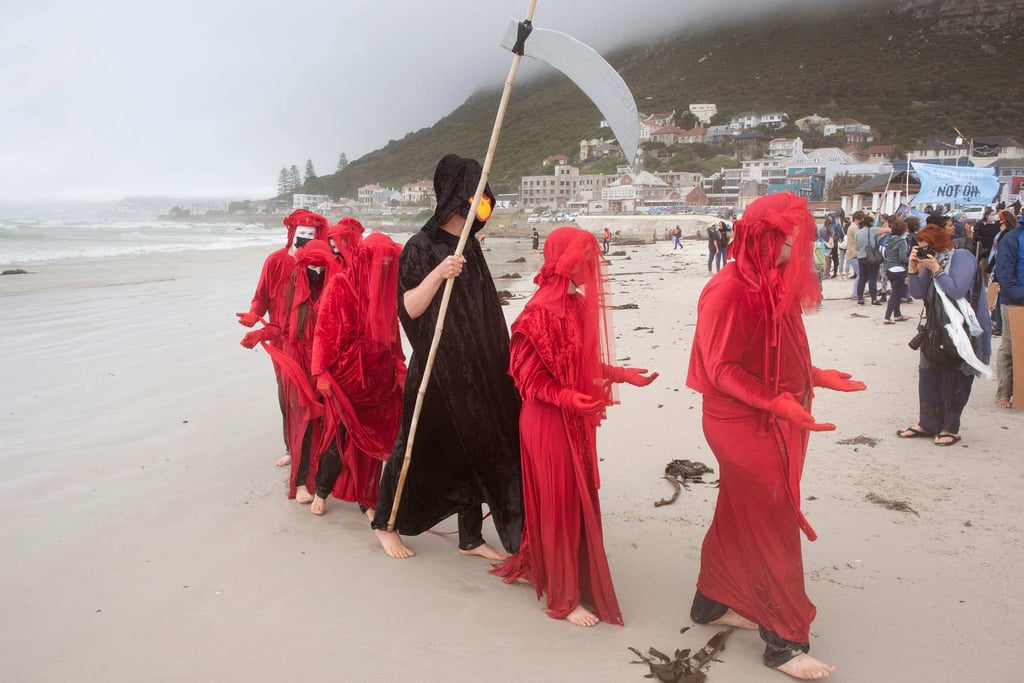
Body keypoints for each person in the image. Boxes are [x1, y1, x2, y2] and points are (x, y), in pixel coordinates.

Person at [686, 192, 866, 681]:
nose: (798, 250)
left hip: (778, 412)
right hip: (739, 422)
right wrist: (777, 401)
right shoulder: (727, 290)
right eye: (791, 240)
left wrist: (816, 376)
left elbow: (773, 355)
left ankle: (710, 603)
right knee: (774, 518)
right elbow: (721, 369)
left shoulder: (769, 283)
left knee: (738, 509)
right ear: (765, 238)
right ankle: (785, 642)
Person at [492, 227, 657, 628]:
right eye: (583, 257)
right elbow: (526, 379)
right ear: (562, 259)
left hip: (573, 416)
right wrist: (565, 398)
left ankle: (565, 575)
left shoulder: (578, 306)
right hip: (546, 421)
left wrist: (617, 373)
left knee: (574, 498)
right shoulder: (534, 315)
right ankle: (563, 597)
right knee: (560, 502)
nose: (591, 265)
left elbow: (580, 364)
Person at [371, 154, 523, 560]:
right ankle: (384, 524)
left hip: (475, 372)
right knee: (412, 444)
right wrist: (439, 274)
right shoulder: (419, 248)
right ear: (456, 197)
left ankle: (470, 538)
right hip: (436, 371)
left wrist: (499, 362)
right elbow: (409, 307)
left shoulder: (469, 245)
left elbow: (485, 311)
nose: (483, 205)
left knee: (471, 445)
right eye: (476, 196)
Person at [310, 232, 407, 517]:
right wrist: (321, 373)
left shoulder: (387, 289)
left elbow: (392, 334)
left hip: (379, 377)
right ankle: (322, 489)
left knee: (376, 439)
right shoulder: (340, 284)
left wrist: (399, 366)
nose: (384, 267)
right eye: (380, 261)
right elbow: (324, 332)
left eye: (388, 262)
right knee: (341, 437)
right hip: (346, 375)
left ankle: (368, 498)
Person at [242, 240, 339, 502]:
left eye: (322, 267)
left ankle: (323, 476)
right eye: (311, 267)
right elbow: (281, 327)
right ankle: (299, 481)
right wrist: (259, 330)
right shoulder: (291, 286)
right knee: (301, 418)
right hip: (296, 363)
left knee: (327, 420)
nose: (316, 272)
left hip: (327, 364)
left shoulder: (336, 288)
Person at [236, 209, 328, 467]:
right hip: (282, 341)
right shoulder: (275, 261)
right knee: (288, 396)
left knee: (319, 394)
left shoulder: (321, 263)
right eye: (302, 233)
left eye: (312, 234)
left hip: (315, 341)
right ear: (291, 233)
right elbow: (261, 297)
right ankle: (292, 446)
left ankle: (318, 448)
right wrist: (254, 316)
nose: (306, 238)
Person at [898, 224, 992, 445]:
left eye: (926, 248)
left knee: (955, 376)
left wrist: (937, 268)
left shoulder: (961, 257)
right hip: (934, 329)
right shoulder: (930, 263)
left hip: (962, 330)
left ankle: (950, 427)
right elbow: (918, 292)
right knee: (928, 375)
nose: (924, 253)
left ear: (938, 243)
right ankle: (928, 423)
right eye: (919, 249)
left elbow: (957, 289)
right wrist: (913, 268)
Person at [992, 214, 1024, 408]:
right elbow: (1004, 274)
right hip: (1014, 302)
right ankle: (1004, 393)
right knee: (1011, 346)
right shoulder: (1013, 238)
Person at [883, 219, 911, 324]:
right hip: (899, 269)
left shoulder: (889, 240)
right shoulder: (902, 242)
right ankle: (887, 316)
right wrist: (912, 259)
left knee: (896, 292)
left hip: (889, 268)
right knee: (895, 294)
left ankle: (897, 314)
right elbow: (902, 258)